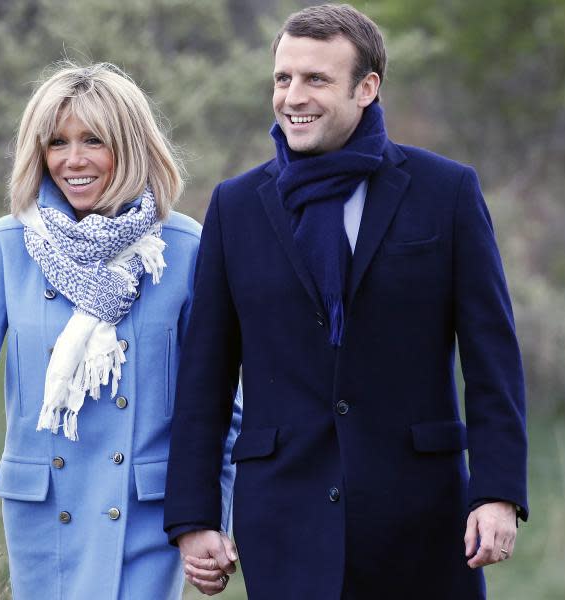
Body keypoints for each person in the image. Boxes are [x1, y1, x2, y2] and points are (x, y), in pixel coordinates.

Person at [163, 4, 528, 598]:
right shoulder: (235, 206)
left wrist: (498, 492)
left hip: (423, 520)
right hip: (283, 519)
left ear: (366, 88)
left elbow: (493, 361)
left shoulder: (446, 192)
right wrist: (195, 518)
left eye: (316, 80)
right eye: (283, 78)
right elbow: (205, 374)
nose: (292, 96)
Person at [0, 62, 241, 600]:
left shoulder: (185, 250)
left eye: (93, 141)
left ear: (129, 147)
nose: (72, 160)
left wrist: (212, 516)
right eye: (57, 142)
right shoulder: (5, 247)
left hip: (147, 515)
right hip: (44, 511)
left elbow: (223, 404)